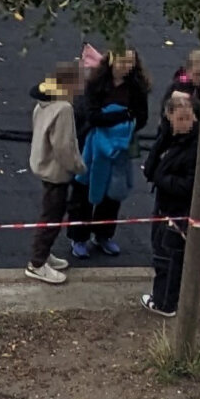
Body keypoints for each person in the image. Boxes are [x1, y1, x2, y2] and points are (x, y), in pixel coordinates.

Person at [69, 52, 143, 255]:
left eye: (130, 61)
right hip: (91, 147)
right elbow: (93, 117)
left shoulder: (135, 87)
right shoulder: (96, 84)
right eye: (122, 60)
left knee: (112, 195)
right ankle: (78, 237)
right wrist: (123, 116)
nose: (126, 65)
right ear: (111, 60)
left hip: (119, 149)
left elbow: (141, 116)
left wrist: (117, 128)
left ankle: (103, 235)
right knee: (83, 190)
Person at [143, 89, 200, 316]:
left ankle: (165, 302)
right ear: (169, 118)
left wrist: (159, 177)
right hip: (164, 206)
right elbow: (151, 164)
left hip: (179, 212)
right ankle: (166, 297)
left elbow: (189, 185)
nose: (185, 123)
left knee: (169, 257)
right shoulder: (169, 137)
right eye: (180, 119)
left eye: (189, 118)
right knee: (162, 253)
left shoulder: (196, 147)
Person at [24, 63, 80, 283]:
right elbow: (64, 145)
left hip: (43, 163)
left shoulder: (43, 104)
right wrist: (78, 166)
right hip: (57, 170)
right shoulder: (64, 109)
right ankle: (37, 263)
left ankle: (45, 254)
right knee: (52, 216)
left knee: (51, 211)